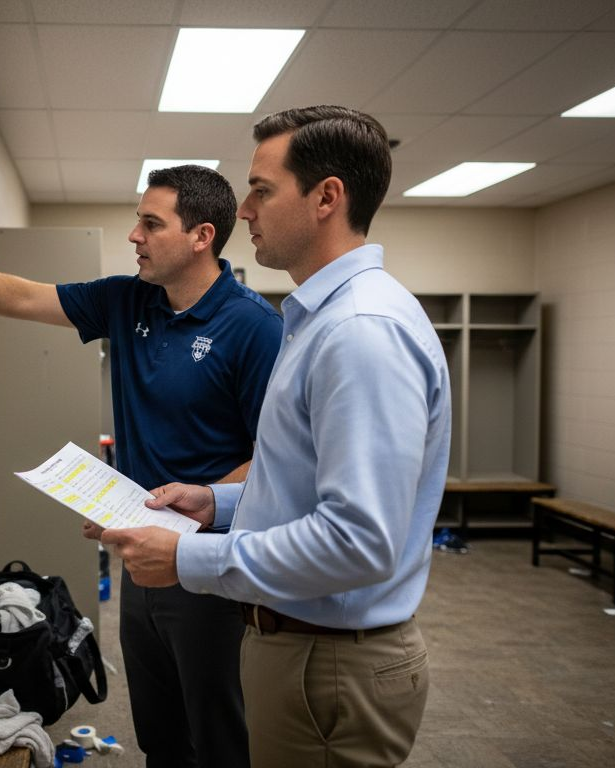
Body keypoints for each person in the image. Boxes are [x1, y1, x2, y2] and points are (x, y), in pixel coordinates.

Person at [0, 164, 281, 768]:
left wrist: (194, 506)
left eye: (150, 223)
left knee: (217, 735)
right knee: (158, 734)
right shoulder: (128, 299)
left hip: (209, 566)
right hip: (139, 559)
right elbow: (26, 296)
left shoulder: (254, 328)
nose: (134, 234)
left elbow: (275, 460)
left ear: (201, 236)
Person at [101, 106, 452, 767]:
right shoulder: (317, 321)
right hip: (300, 648)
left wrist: (186, 561)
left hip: (331, 664)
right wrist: (214, 502)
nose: (247, 210)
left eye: (262, 189)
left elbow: (358, 541)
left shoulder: (360, 332)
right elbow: (306, 484)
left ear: (327, 197)